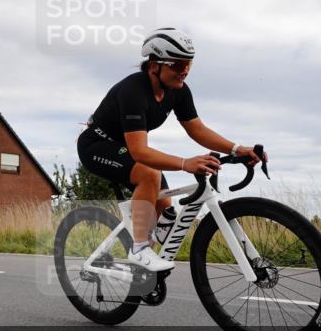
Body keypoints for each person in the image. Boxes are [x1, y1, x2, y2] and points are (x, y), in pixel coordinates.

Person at [77, 27, 267, 271]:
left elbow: (197, 129)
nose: (185, 71)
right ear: (155, 64)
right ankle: (138, 249)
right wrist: (185, 163)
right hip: (98, 146)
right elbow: (139, 152)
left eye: (188, 64)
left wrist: (237, 148)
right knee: (149, 173)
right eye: (178, 65)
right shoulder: (132, 91)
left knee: (166, 214)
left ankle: (144, 267)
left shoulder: (178, 90)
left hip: (127, 148)